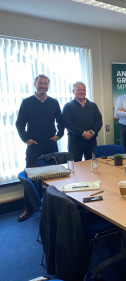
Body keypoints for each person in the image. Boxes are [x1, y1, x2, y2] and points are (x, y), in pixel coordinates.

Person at [15, 74, 64, 221]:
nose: (43, 86)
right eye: (40, 83)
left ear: (48, 86)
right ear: (35, 84)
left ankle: (54, 204)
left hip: (51, 144)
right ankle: (28, 207)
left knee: (53, 175)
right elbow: (19, 124)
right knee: (30, 175)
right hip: (34, 146)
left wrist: (59, 135)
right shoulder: (27, 102)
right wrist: (26, 139)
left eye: (45, 83)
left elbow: (61, 122)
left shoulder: (54, 103)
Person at [62, 81, 102, 161]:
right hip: (75, 142)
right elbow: (68, 123)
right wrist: (83, 133)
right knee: (76, 167)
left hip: (91, 140)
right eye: (79, 89)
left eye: (83, 90)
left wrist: (92, 132)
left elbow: (99, 120)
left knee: (91, 165)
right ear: (73, 91)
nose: (81, 92)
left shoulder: (93, 105)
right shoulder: (68, 106)